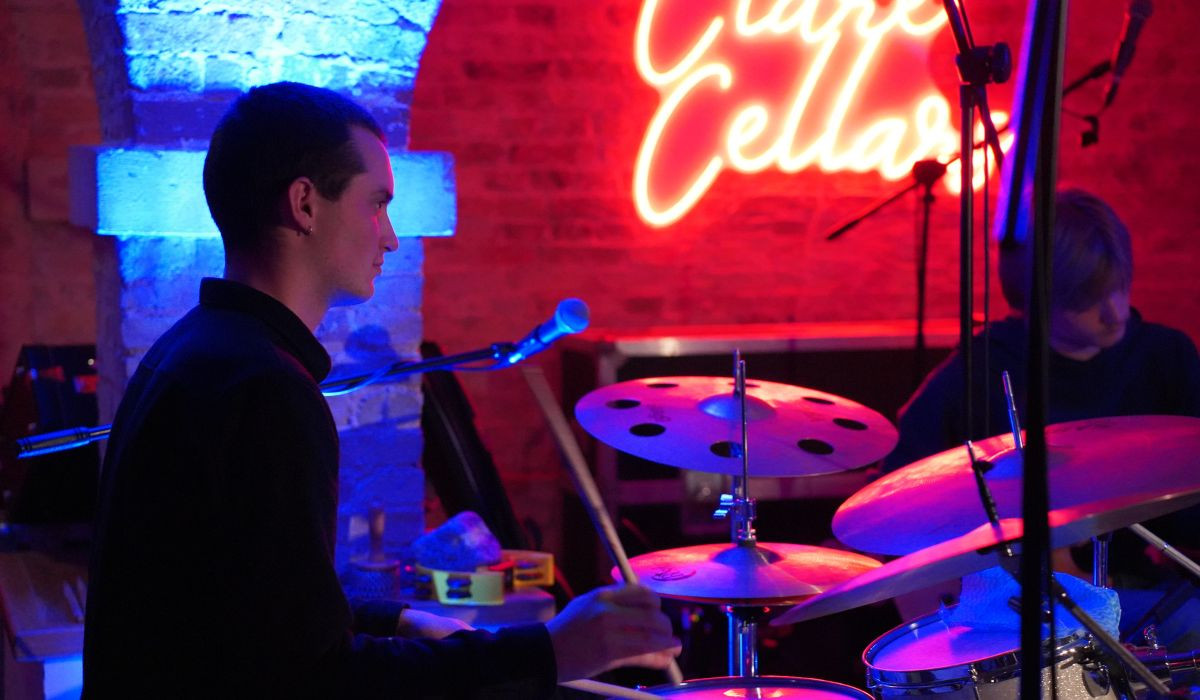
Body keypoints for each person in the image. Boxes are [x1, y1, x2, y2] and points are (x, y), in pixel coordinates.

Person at [82, 82, 680, 697]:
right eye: (377, 204)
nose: (390, 238)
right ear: (305, 205)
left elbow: (240, 607)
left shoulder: (193, 349)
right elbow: (317, 683)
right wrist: (550, 650)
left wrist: (389, 618)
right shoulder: (266, 389)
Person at [881, 187, 1200, 648]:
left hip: (1140, 589)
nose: (1115, 313)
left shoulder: (1166, 356)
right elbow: (897, 494)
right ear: (1037, 299)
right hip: (1025, 610)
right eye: (1086, 301)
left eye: (1119, 287)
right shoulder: (985, 368)